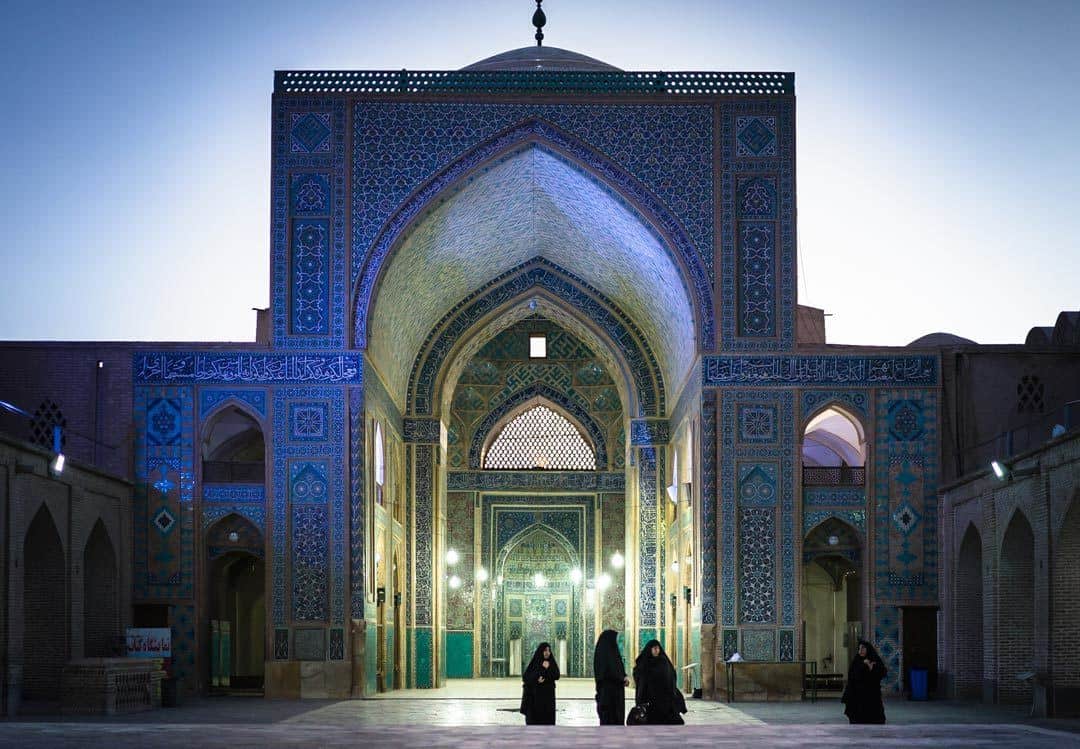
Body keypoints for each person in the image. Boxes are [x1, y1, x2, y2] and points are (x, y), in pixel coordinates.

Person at [631, 639, 685, 725]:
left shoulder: (664, 661)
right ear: (650, 649)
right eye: (654, 648)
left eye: (658, 648)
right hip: (650, 697)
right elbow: (639, 677)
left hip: (664, 697)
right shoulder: (644, 662)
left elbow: (671, 675)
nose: (656, 651)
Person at [841, 640, 887, 724]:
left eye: (863, 648)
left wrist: (871, 667)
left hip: (871, 692)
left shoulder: (874, 658)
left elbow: (882, 672)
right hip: (858, 692)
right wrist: (862, 664)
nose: (860, 651)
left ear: (868, 649)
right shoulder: (857, 660)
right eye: (859, 648)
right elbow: (852, 674)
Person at [593, 629, 629, 725]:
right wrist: (622, 679)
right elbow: (610, 671)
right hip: (609, 693)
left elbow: (618, 668)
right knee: (610, 717)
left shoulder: (608, 652)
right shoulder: (606, 654)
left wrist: (623, 676)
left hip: (612, 692)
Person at [521, 642, 560, 725]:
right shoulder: (535, 663)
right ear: (540, 651)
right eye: (545, 650)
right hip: (535, 700)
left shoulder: (551, 663)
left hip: (548, 700)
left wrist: (547, 670)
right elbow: (526, 677)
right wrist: (537, 678)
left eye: (549, 651)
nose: (547, 653)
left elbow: (556, 675)